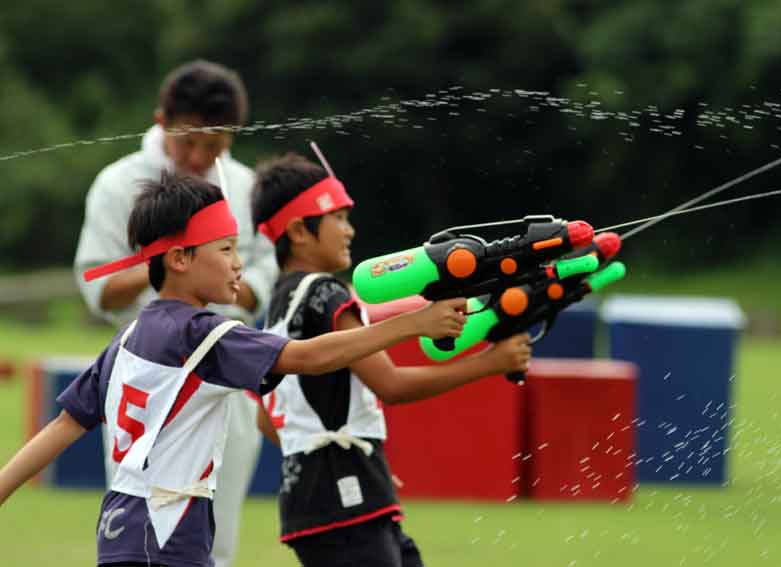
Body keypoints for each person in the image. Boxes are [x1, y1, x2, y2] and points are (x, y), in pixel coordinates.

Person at [0, 172, 469, 567]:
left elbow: (64, 425)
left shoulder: (126, 337)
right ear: (180, 258)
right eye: (224, 249)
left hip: (118, 530)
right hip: (168, 533)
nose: (239, 264)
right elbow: (308, 356)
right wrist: (414, 324)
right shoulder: (204, 334)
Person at [251, 151, 531, 567]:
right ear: (299, 231)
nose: (350, 230)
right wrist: (491, 363)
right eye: (339, 218)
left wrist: (336, 455)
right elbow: (391, 385)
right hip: (344, 500)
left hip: (318, 500)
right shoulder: (326, 294)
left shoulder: (279, 302)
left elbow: (265, 418)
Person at [73, 59, 277, 567]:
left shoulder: (246, 186)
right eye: (188, 141)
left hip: (224, 369)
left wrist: (228, 284)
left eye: (215, 145)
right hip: (143, 376)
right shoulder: (118, 184)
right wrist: (172, 261)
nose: (199, 156)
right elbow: (98, 286)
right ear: (161, 120)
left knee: (216, 535)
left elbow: (264, 276)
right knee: (134, 526)